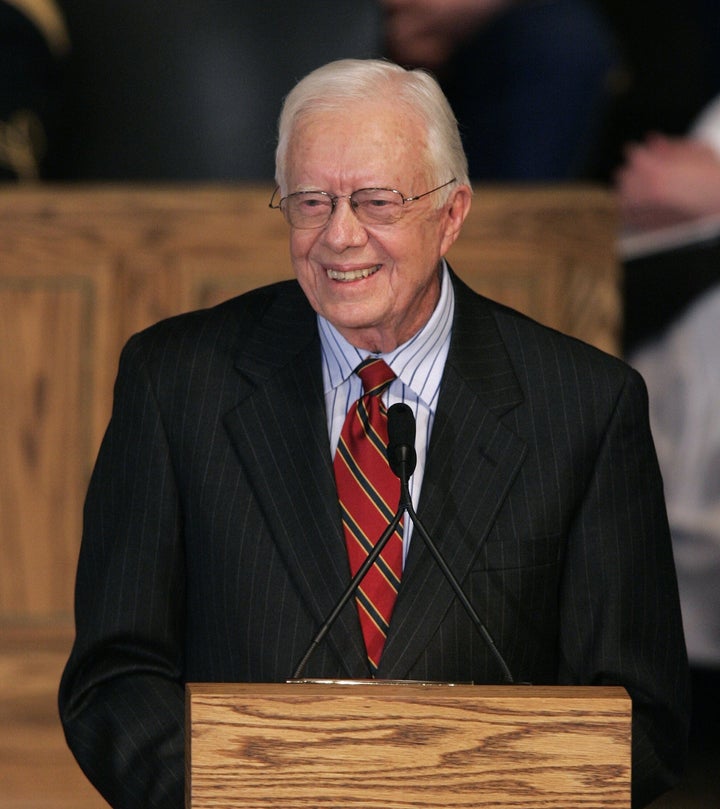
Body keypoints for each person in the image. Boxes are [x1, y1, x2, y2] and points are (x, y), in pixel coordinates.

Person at [59, 58, 690, 809]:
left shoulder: (585, 406)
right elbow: (115, 676)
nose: (340, 236)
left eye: (375, 202)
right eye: (311, 202)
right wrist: (241, 794)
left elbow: (641, 713)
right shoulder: (176, 382)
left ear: (451, 213)